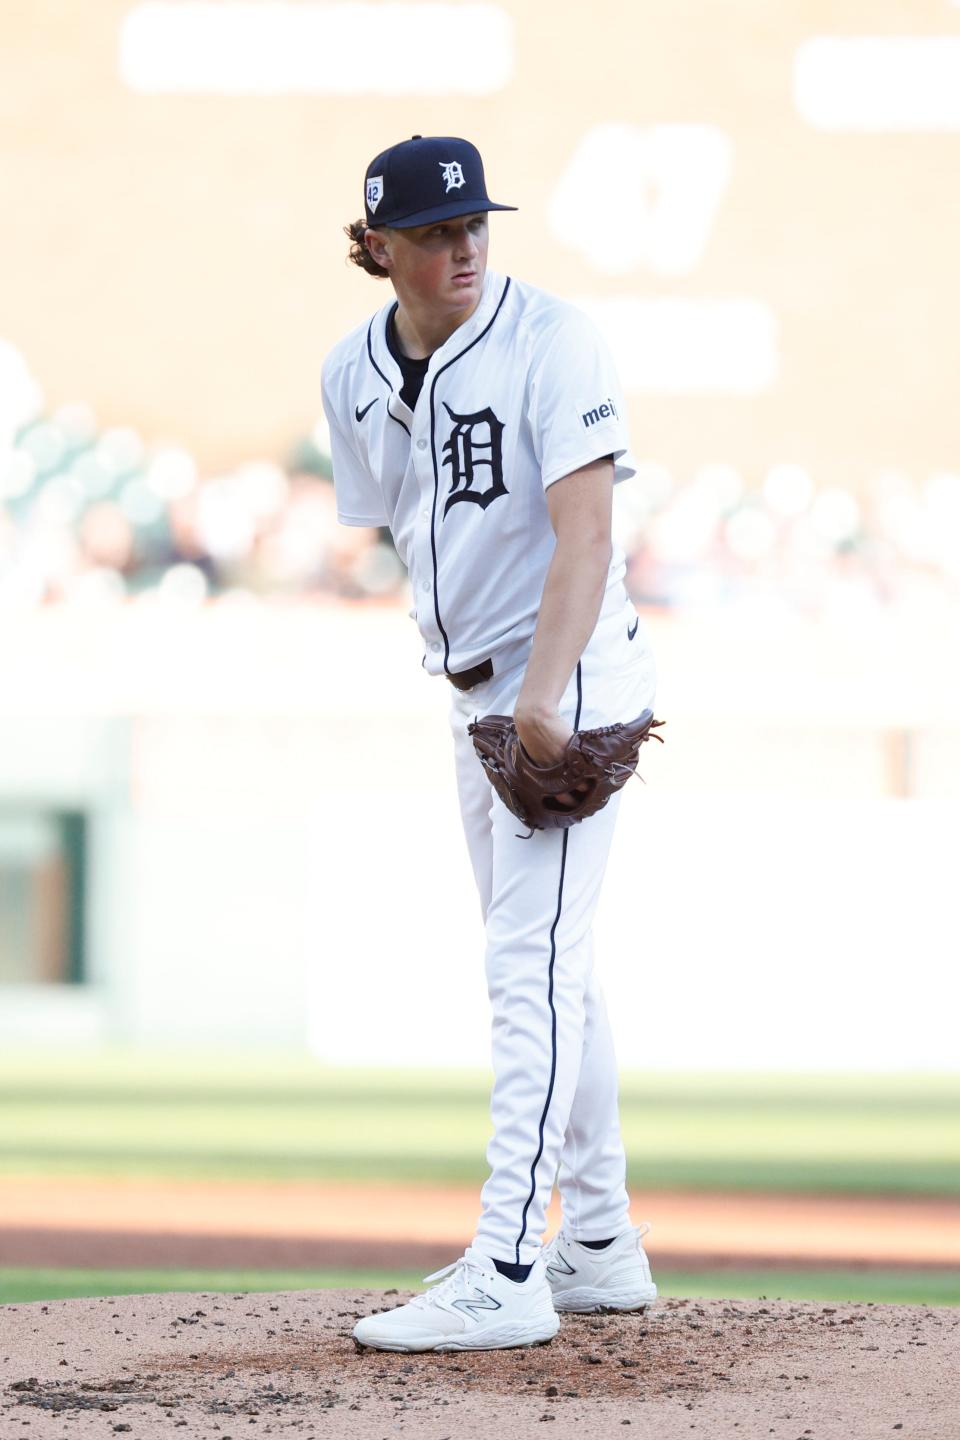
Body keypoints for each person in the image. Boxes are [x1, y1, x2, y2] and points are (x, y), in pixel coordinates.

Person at [321, 135, 658, 1354]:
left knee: (530, 965)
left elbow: (587, 538)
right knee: (553, 959)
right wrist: (480, 689)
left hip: (572, 685)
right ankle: (603, 1244)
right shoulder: (348, 371)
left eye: (474, 224)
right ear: (380, 247)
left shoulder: (553, 338)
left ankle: (511, 1261)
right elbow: (401, 531)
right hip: (473, 703)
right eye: (432, 230)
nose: (462, 245)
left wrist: (547, 692)